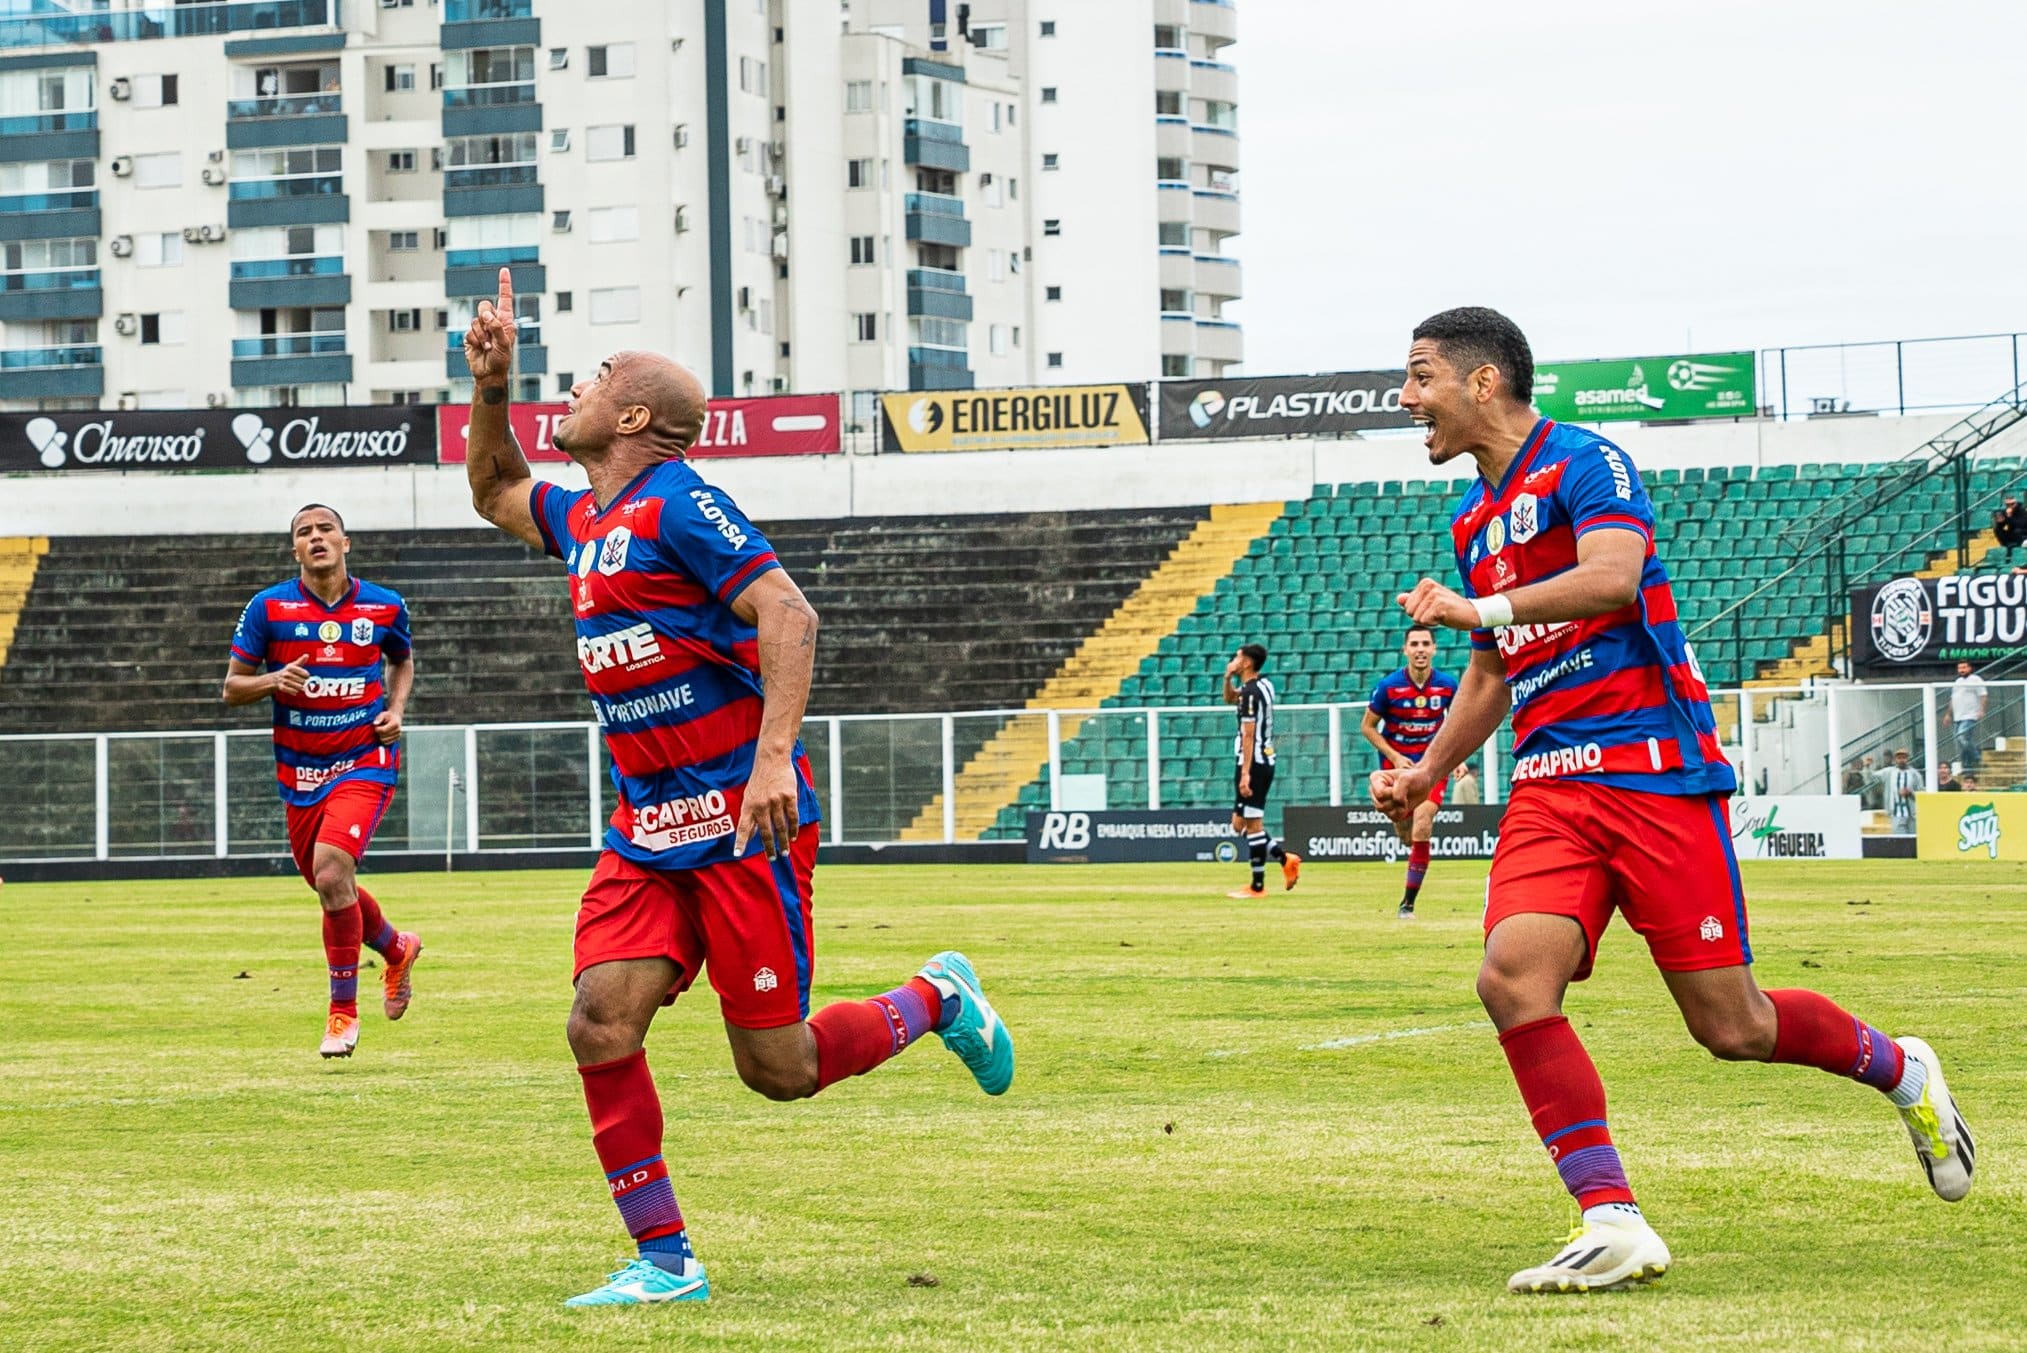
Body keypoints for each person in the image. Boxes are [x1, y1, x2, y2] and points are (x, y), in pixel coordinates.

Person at [1373, 306, 1973, 1295]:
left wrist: (1477, 606)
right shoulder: (1470, 521)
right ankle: (1608, 1219)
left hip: (1651, 773)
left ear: (1482, 383)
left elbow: (1610, 579)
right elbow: (1489, 671)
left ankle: (1899, 1068)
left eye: (1420, 375)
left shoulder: (1584, 462)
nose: (1406, 399)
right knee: (1511, 979)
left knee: (1730, 1027)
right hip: (1547, 782)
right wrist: (1425, 772)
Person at [459, 270, 1012, 1306]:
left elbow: (788, 616)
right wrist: (490, 384)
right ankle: (664, 1262)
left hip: (737, 820)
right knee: (598, 1020)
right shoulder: (586, 521)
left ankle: (934, 998)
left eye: (599, 376)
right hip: (646, 830)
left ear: (634, 415)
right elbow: (494, 491)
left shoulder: (681, 502)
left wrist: (770, 760)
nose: (576, 384)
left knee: (780, 1069)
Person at [221, 504, 422, 1058]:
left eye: (325, 529)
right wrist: (272, 680)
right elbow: (232, 687)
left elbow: (401, 660)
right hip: (300, 771)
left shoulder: (383, 605)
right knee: (329, 884)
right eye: (304, 532)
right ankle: (396, 947)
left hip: (364, 759)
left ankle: (342, 1013)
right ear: (295, 550)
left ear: (345, 542)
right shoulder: (269, 608)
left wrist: (397, 709)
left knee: (333, 870)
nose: (316, 538)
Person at [1362, 624, 1460, 917]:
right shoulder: (1388, 687)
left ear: (1434, 649)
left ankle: (1408, 904)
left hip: (1432, 765)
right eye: (1414, 644)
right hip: (1397, 768)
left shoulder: (1448, 685)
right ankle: (1408, 841)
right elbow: (1367, 727)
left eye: (1425, 643)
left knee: (1422, 822)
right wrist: (1395, 756)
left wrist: (1457, 759)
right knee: (1406, 832)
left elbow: (1457, 726)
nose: (1420, 649)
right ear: (1405, 650)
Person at [1222, 643, 1299, 897]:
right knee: (1239, 823)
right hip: (1262, 759)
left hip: (1253, 762)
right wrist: (1227, 677)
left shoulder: (1251, 694)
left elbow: (1248, 733)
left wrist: (1245, 773)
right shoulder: (1262, 686)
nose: (1233, 660)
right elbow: (1230, 697)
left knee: (1252, 824)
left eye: (1237, 657)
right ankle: (1283, 858)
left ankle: (1258, 885)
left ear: (1246, 663)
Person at [1944, 660, 1986, 772]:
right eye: (1960, 668)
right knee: (1962, 741)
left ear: (1969, 668)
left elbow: (1983, 695)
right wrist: (1948, 714)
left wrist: (1981, 710)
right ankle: (1967, 766)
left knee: (1962, 737)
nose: (1962, 670)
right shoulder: (1957, 681)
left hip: (1970, 715)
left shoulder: (1976, 679)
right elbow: (1953, 699)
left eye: (1964, 667)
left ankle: (1977, 758)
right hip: (1958, 716)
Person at [1884, 748, 1923, 831]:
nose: (1902, 760)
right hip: (1896, 813)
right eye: (1899, 758)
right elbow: (1872, 777)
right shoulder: (1889, 772)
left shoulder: (1915, 774)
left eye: (1904, 758)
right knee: (1899, 839)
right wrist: (1867, 767)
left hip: (1912, 813)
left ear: (1907, 759)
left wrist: (1910, 793)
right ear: (1895, 760)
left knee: (1913, 840)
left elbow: (1922, 793)